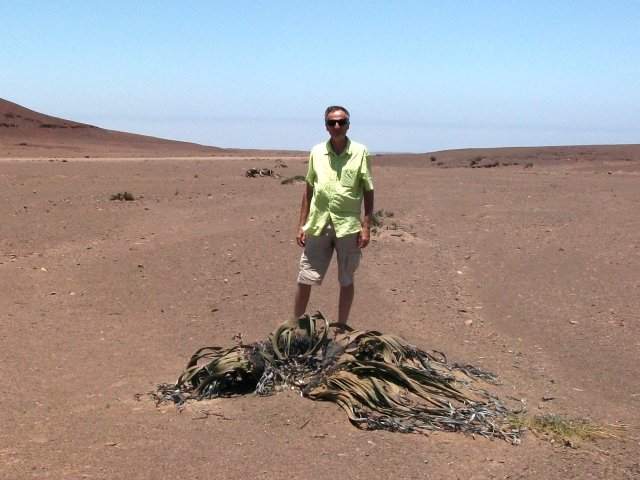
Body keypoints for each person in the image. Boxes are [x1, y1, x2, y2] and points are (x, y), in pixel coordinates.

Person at [293, 105, 374, 326]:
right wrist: (302, 224)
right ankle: (294, 327)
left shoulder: (360, 152)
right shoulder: (317, 152)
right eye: (332, 122)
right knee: (305, 276)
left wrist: (366, 226)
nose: (337, 126)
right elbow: (309, 189)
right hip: (319, 224)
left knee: (346, 278)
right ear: (326, 126)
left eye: (341, 122)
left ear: (348, 124)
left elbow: (368, 189)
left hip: (348, 226)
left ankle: (341, 327)